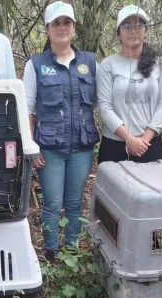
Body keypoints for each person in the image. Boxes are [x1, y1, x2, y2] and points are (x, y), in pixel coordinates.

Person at [23, 1, 99, 263]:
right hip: (50, 148)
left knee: (75, 203)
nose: (62, 27)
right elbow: (27, 110)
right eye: (56, 23)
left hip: (82, 146)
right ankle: (52, 253)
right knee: (53, 204)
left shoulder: (90, 62)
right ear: (47, 29)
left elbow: (105, 101)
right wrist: (32, 148)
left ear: (74, 28)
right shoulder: (35, 65)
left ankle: (73, 249)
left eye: (66, 22)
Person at [97, 5, 162, 163]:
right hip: (115, 144)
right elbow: (105, 107)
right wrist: (128, 138)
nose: (133, 30)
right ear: (118, 33)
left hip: (149, 144)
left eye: (139, 25)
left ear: (146, 31)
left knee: (151, 187)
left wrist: (145, 138)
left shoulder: (159, 64)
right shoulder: (108, 65)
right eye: (127, 25)